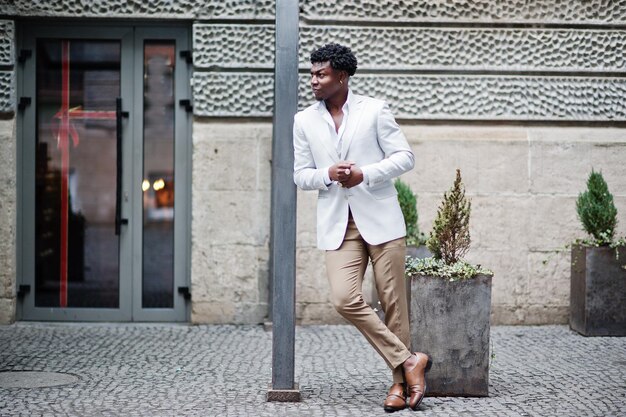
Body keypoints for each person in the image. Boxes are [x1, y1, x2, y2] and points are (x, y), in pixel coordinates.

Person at [292, 43, 432, 412]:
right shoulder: (304, 120)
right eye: (312, 73)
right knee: (344, 298)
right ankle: (410, 359)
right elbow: (300, 174)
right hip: (339, 225)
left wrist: (364, 174)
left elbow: (405, 157)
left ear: (342, 76)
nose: (314, 80)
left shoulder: (374, 110)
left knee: (393, 305)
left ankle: (399, 386)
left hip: (381, 220)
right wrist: (326, 174)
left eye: (321, 74)